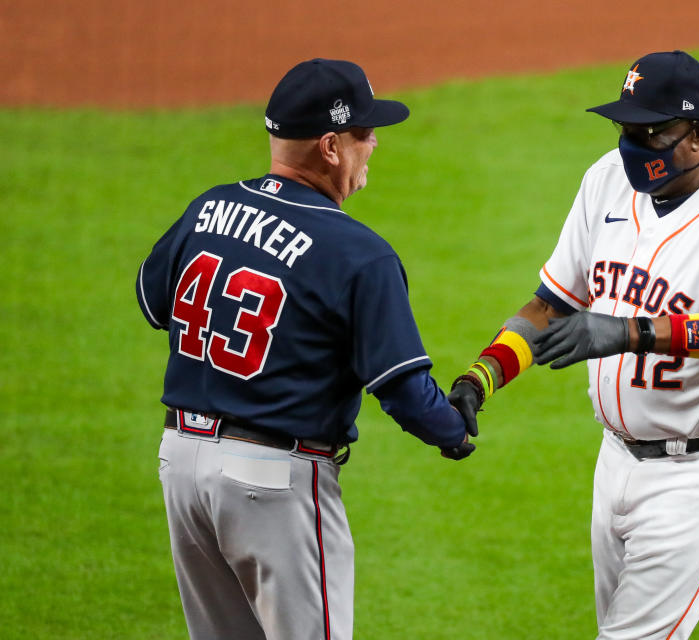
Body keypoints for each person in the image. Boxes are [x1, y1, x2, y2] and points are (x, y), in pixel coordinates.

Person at [448, 50, 699, 639]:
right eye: (626, 128)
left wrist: (631, 331)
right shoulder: (605, 181)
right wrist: (481, 376)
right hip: (614, 462)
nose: (632, 145)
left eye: (651, 132)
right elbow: (549, 304)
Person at [136, 58, 475, 640]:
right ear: (330, 146)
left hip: (181, 465)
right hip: (272, 482)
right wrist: (453, 429)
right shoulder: (358, 252)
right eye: (365, 133)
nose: (373, 145)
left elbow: (152, 302)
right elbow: (402, 391)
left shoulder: (208, 207)